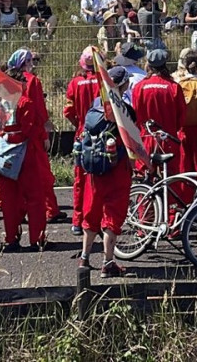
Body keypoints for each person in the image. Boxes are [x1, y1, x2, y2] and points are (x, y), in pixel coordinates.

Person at [77, 66, 134, 276]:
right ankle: (108, 262)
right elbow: (132, 140)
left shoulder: (95, 105)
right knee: (112, 215)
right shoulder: (124, 110)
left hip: (94, 169)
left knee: (91, 212)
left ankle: (84, 258)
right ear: (123, 84)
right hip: (116, 168)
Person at [0, 49, 51, 252]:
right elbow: (32, 128)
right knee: (35, 196)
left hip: (4, 149)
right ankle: (36, 238)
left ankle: (11, 237)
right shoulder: (25, 102)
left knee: (9, 198)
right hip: (24, 150)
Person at [62, 51, 105, 236]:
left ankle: (77, 221)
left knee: (80, 180)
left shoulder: (75, 83)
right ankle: (99, 220)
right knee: (101, 180)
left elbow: (68, 111)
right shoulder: (103, 81)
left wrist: (79, 124)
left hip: (81, 135)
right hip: (103, 134)